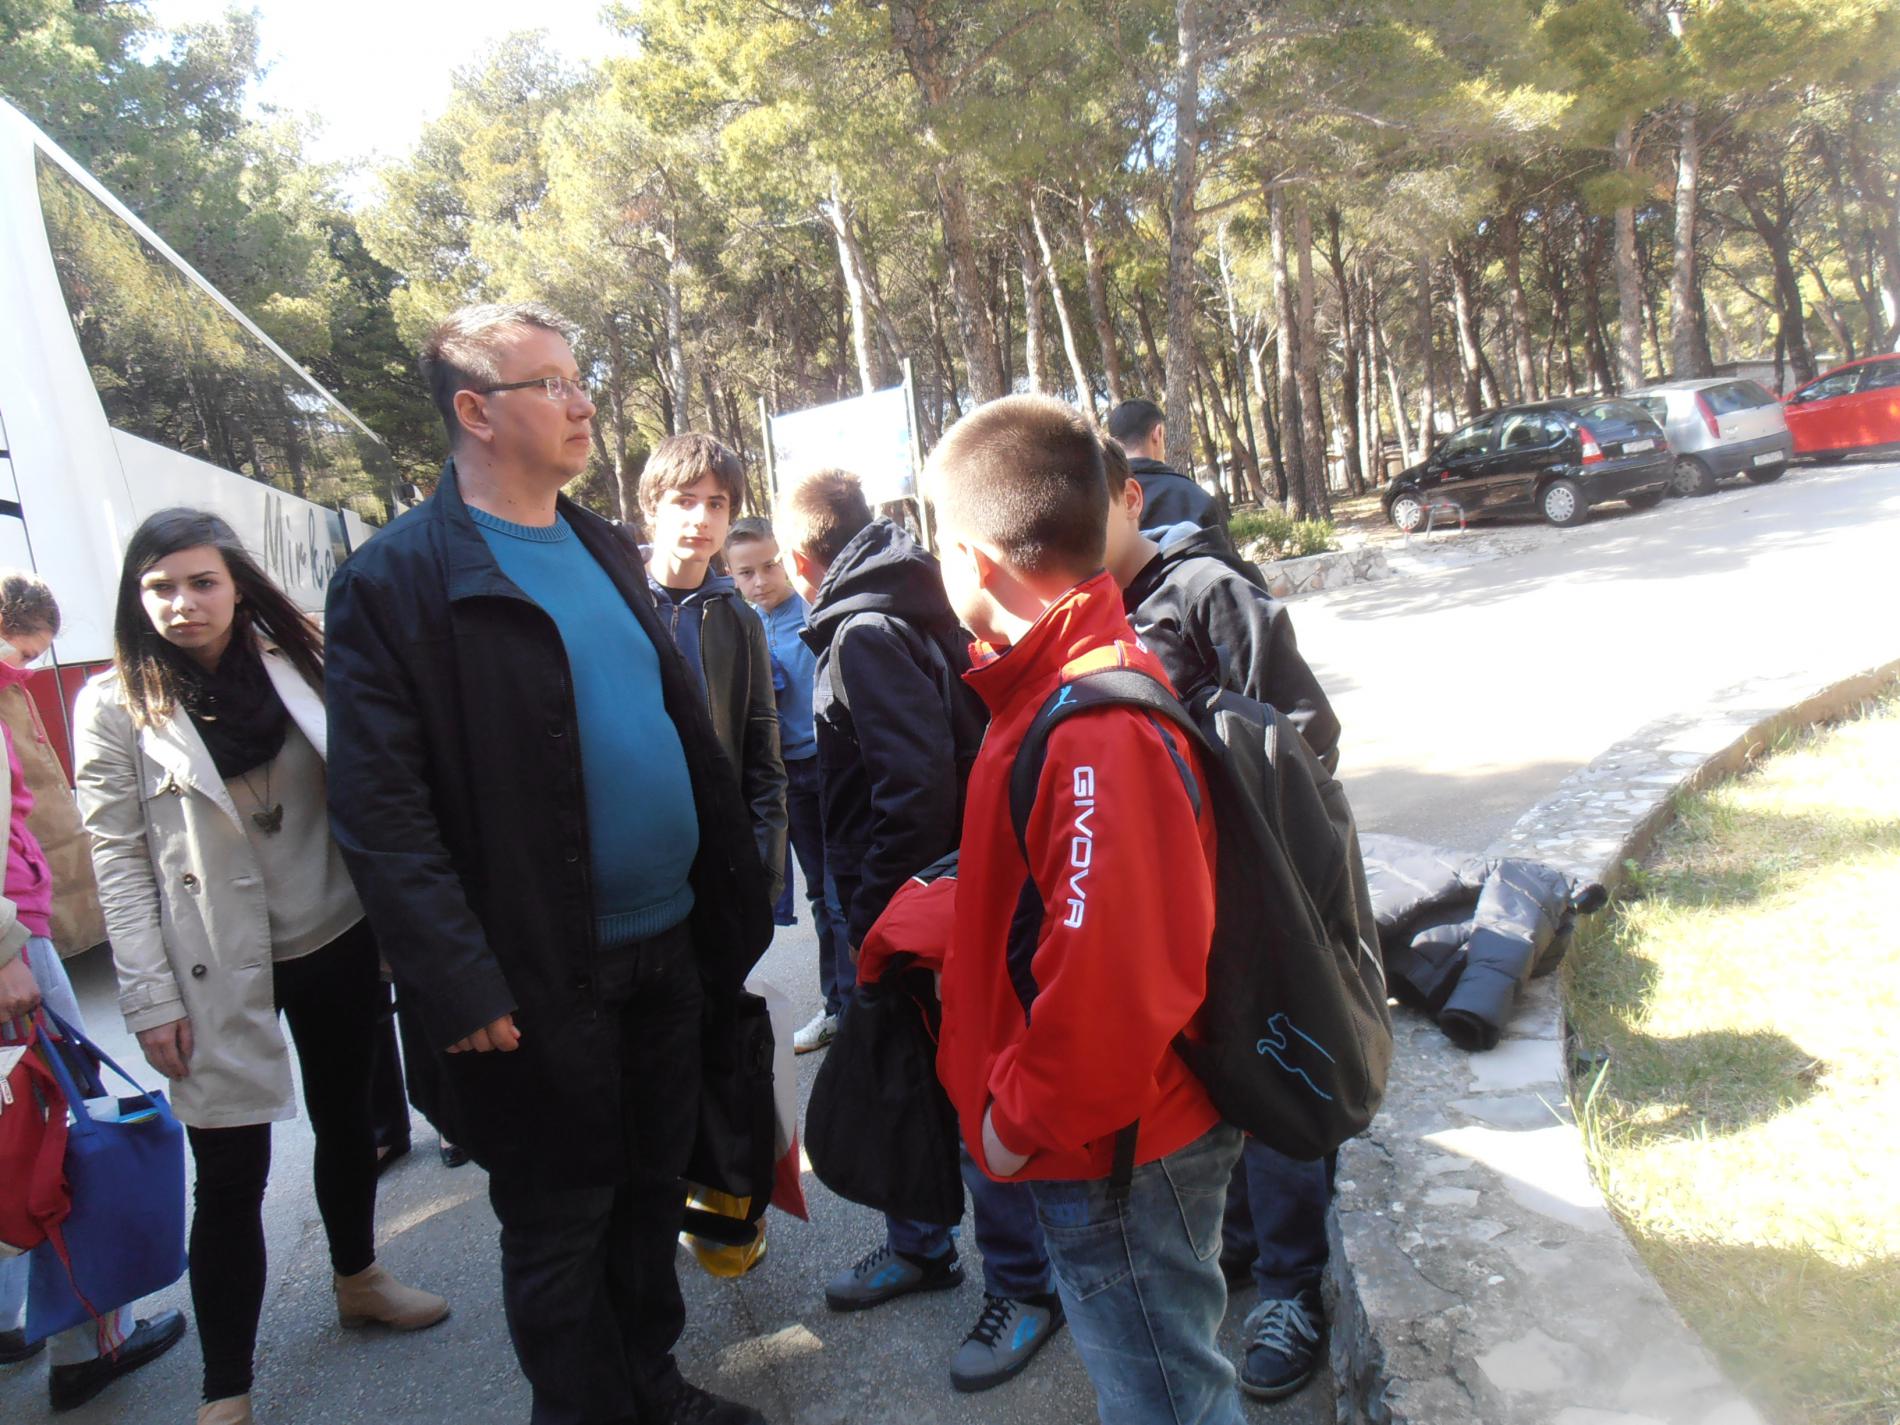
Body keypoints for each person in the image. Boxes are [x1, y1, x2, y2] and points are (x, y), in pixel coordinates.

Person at [323, 301, 773, 1425]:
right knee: (562, 1223)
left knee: (648, 1193)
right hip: (530, 979)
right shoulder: (394, 580)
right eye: (553, 384)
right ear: (477, 412)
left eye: (580, 378)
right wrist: (456, 978)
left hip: (667, 947)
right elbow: (380, 810)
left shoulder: (603, 546)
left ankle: (650, 1387)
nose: (583, 402)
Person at [73, 512, 450, 1425]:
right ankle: (226, 1386)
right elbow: (116, 858)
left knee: (348, 1121)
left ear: (237, 585)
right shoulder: (114, 704)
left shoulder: (300, 660)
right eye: (160, 587)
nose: (181, 603)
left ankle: (358, 1276)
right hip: (211, 964)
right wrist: (149, 996)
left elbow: (379, 781)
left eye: (201, 581)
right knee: (231, 1171)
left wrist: (402, 919)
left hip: (336, 933)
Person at [930, 393, 1246, 1425]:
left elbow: (1113, 985)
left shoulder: (1090, 726)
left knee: (1166, 1400)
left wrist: (1016, 1125)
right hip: (1104, 1137)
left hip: (1112, 1150)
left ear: (974, 559)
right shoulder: (1050, 688)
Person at [777, 470, 1061, 1394]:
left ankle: (1023, 1285)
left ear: (800, 559)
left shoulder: (866, 628)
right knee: (905, 1077)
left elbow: (916, 786)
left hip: (925, 906)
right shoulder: (894, 600)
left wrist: (883, 909)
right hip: (933, 892)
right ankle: (921, 1244)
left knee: (965, 1087)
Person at [1100, 442, 1338, 1400]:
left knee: (1278, 1086)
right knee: (1217, 1085)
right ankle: (1241, 1243)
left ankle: (1293, 1285)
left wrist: (1232, 810)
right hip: (1172, 910)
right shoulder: (1092, 609)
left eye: (1087, 504)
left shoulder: (1206, 587)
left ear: (1128, 497)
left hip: (1253, 897)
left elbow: (1304, 731)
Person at [0, 571, 187, 1413]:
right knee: (60, 1127)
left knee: (16, 1122)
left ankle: (12, 1318)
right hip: (12, 941)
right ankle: (86, 1342)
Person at [638, 435, 787, 907]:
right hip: (635, 858)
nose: (701, 518)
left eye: (716, 504)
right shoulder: (614, 601)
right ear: (652, 507)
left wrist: (766, 873)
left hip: (716, 857)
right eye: (685, 500)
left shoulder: (740, 620)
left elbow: (763, 754)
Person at [724, 517, 850, 1054]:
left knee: (845, 895)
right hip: (785, 780)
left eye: (770, 565)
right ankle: (838, 1007)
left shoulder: (815, 612)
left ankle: (862, 1012)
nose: (760, 581)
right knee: (821, 896)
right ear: (730, 575)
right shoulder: (741, 626)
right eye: (745, 572)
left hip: (832, 767)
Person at [1105, 398, 1226, 538]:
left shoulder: (1100, 500)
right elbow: (1222, 552)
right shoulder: (1196, 498)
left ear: (1112, 441)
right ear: (1158, 433)